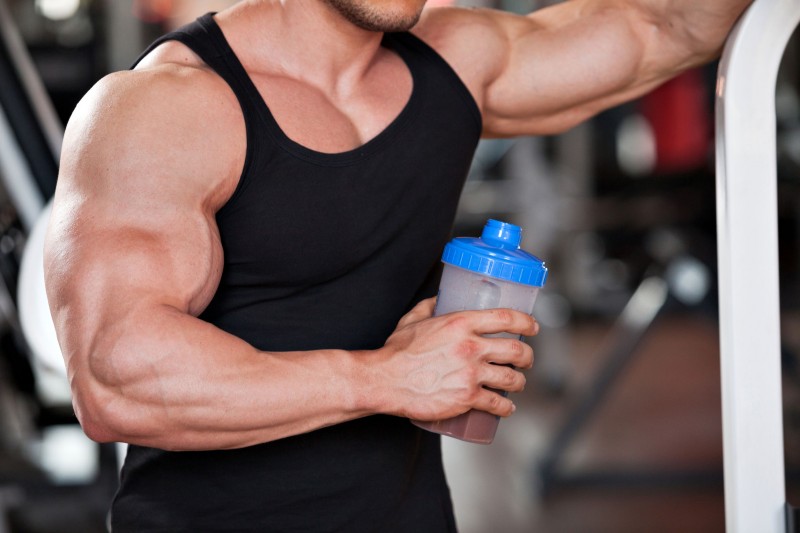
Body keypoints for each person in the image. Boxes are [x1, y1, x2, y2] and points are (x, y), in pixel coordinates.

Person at [44, 0, 751, 531]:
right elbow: (117, 375)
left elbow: (662, 27)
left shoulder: (456, 62)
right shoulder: (166, 108)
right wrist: (384, 377)